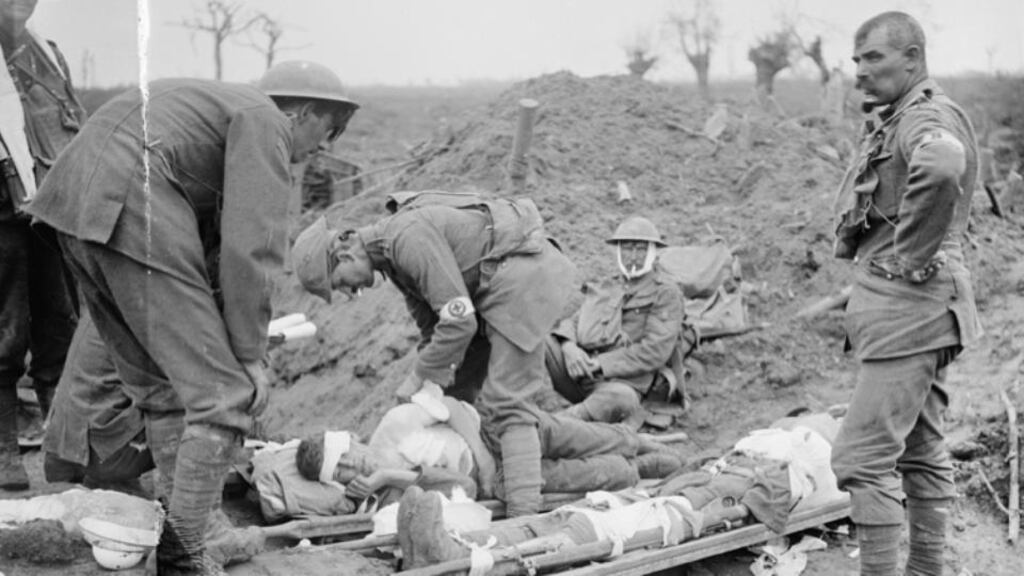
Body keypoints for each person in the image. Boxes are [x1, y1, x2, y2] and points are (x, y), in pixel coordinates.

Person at [24, 60, 359, 574]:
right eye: (327, 132)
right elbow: (252, 250)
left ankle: (195, 531)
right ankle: (184, 555)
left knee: (160, 391)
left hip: (74, 206)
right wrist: (249, 359)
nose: (320, 149)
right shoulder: (265, 120)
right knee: (223, 397)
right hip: (132, 197)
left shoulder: (211, 111)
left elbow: (218, 255)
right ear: (304, 113)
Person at [292, 192, 576, 517]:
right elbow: (434, 331)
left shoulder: (406, 239)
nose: (351, 293)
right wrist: (424, 391)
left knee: (508, 402)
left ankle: (524, 514)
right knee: (451, 394)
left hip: (521, 281)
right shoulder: (393, 258)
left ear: (344, 254)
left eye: (341, 284)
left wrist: (417, 377)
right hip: (488, 295)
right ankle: (493, 467)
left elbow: (458, 322)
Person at [830, 12, 980, 576]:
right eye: (857, 61)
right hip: (924, 311)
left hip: (908, 312)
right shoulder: (900, 117)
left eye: (874, 59)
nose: (861, 73)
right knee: (920, 447)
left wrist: (911, 254)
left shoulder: (926, 117)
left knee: (860, 458)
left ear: (913, 58)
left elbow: (943, 164)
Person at [395, 410, 843, 571]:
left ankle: (462, 558)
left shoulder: (812, 461)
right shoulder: (769, 444)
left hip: (712, 500)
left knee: (599, 524)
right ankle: (457, 544)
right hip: (696, 482)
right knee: (583, 510)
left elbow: (771, 508)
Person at [293, 397, 685, 509]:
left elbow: (457, 408)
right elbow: (463, 486)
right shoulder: (387, 495)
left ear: (350, 439)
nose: (353, 464)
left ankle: (642, 442)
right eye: (342, 471)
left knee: (586, 436)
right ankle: (644, 466)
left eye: (346, 453)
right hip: (493, 479)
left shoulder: (396, 422)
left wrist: (480, 452)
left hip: (496, 432)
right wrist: (390, 477)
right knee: (591, 473)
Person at [0, 0, 84, 491]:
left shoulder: (46, 54)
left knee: (60, 321)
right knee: (6, 329)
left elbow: (68, 127)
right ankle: (5, 452)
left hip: (49, 207)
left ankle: (65, 447)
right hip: (1, 215)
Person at [544, 216, 687, 429]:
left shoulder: (666, 293)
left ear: (652, 252)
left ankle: (554, 425)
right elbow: (575, 320)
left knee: (622, 400)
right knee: (540, 343)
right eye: (627, 249)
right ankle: (520, 409)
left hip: (622, 384)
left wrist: (601, 363)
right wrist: (568, 346)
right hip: (581, 373)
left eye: (640, 249)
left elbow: (654, 352)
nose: (633, 256)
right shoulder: (608, 284)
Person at [41, 312, 154, 496]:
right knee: (204, 400)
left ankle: (100, 474)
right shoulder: (156, 297)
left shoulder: (116, 288)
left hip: (69, 437)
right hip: (102, 448)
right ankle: (192, 510)